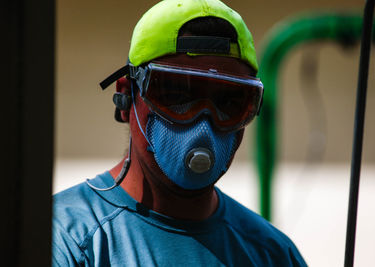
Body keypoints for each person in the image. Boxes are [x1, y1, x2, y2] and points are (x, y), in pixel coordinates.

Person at [52, 0, 307, 266]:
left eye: (229, 102)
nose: (204, 125)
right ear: (126, 96)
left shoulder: (272, 254)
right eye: (176, 95)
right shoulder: (63, 240)